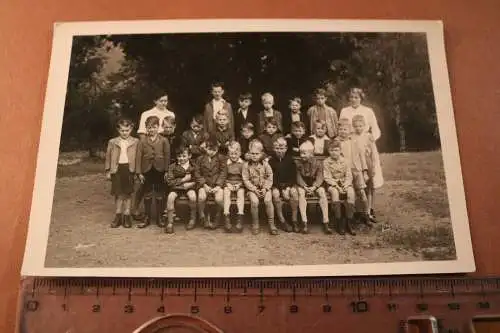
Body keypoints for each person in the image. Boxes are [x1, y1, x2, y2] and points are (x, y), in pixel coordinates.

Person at [135, 116, 170, 228]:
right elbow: (138, 157)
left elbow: (167, 156)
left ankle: (160, 218)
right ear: (146, 128)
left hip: (160, 169)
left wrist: (166, 170)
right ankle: (147, 218)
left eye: (154, 127)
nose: (151, 130)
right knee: (147, 193)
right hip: (147, 169)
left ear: (158, 127)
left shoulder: (164, 140)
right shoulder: (142, 141)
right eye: (149, 128)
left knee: (160, 193)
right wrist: (139, 172)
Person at [105, 119, 139, 228]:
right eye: (122, 130)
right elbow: (108, 157)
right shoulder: (113, 142)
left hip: (129, 169)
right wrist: (108, 171)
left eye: (127, 130)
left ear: (131, 129)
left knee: (128, 193)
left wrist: (138, 172)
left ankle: (127, 215)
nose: (125, 133)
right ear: (118, 130)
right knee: (118, 193)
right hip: (117, 168)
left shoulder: (135, 142)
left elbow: (138, 158)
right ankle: (118, 215)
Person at [336, 119, 371, 227]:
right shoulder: (336, 142)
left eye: (345, 129)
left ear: (350, 130)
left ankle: (366, 215)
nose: (343, 131)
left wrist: (364, 171)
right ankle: (349, 217)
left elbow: (361, 156)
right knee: (348, 193)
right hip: (344, 172)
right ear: (338, 130)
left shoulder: (354, 141)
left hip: (356, 170)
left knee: (362, 193)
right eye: (340, 129)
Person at [351, 114, 383, 224]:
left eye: (360, 126)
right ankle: (359, 212)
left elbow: (373, 152)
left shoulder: (368, 136)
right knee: (359, 188)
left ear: (364, 125)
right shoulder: (351, 136)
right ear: (353, 126)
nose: (358, 128)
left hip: (368, 163)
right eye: (356, 126)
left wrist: (374, 166)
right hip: (356, 164)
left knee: (369, 188)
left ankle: (368, 212)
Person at [295, 141, 331, 234]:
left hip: (315, 184)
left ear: (311, 154)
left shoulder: (318, 163)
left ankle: (326, 221)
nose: (301, 155)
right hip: (304, 184)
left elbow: (320, 176)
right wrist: (305, 186)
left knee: (322, 192)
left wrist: (314, 187)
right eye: (300, 153)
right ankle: (304, 222)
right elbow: (298, 176)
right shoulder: (298, 163)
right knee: (301, 193)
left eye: (304, 153)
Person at [242, 139, 276, 235]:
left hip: (265, 188)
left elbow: (270, 176)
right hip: (252, 189)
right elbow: (246, 179)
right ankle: (255, 224)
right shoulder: (246, 165)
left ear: (261, 154)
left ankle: (271, 224)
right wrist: (254, 189)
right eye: (252, 153)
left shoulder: (265, 164)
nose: (254, 156)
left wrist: (265, 188)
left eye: (257, 153)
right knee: (254, 201)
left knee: (268, 200)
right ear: (249, 153)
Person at [323, 139, 356, 235]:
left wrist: (346, 185)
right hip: (332, 184)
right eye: (332, 150)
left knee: (351, 193)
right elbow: (327, 177)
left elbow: (349, 175)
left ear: (340, 150)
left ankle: (349, 222)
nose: (334, 153)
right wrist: (337, 186)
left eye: (336, 150)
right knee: (334, 193)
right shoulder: (326, 162)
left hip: (344, 183)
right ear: (329, 151)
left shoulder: (345, 161)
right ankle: (339, 222)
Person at [268, 137, 299, 232]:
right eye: (277, 148)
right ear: (274, 149)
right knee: (275, 194)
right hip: (276, 185)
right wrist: (281, 189)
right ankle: (282, 220)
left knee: (294, 193)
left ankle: (294, 220)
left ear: (286, 148)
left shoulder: (290, 160)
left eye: (282, 148)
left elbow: (293, 176)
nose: (279, 151)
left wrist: (288, 187)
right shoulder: (271, 161)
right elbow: (271, 177)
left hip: (288, 184)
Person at [194, 138, 227, 229]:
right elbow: (197, 173)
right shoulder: (200, 159)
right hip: (204, 184)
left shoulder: (221, 158)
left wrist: (218, 185)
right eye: (209, 149)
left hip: (217, 184)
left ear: (217, 149)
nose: (211, 152)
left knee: (219, 199)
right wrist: (204, 185)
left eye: (214, 150)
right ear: (205, 148)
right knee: (201, 197)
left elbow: (223, 172)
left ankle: (217, 216)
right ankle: (202, 216)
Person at [165, 146, 197, 233]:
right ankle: (170, 222)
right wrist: (183, 180)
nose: (181, 158)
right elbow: (170, 182)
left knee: (193, 197)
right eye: (179, 156)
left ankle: (192, 219)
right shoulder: (172, 166)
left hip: (189, 187)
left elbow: (197, 179)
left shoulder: (194, 166)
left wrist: (191, 183)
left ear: (189, 156)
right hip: (176, 188)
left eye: (184, 156)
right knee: (170, 197)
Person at [222, 141, 245, 233]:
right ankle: (226, 217)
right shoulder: (226, 163)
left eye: (236, 154)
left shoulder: (243, 164)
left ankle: (240, 217)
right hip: (228, 183)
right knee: (226, 193)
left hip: (239, 183)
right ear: (228, 153)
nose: (234, 156)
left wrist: (240, 185)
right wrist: (227, 184)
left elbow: (245, 177)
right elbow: (223, 176)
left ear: (240, 153)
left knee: (241, 194)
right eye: (231, 154)